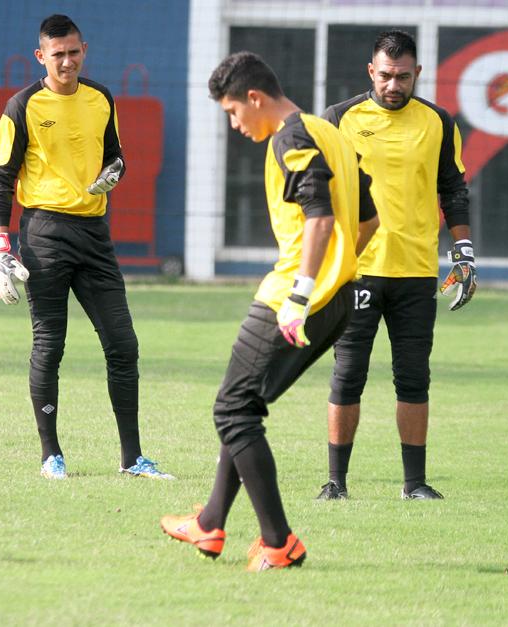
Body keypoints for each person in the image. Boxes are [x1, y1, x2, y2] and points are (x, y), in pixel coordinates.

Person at [160, 51, 379, 571]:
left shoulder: (291, 138)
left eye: (234, 112)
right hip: (339, 297)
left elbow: (320, 220)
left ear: (255, 99)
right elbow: (368, 219)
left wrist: (302, 293)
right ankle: (211, 523)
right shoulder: (332, 133)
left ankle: (278, 542)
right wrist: (336, 275)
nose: (235, 125)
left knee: (232, 410)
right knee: (245, 408)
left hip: (295, 299)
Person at [0, 14, 172, 481]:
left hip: (94, 234)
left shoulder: (101, 98)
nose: (66, 62)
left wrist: (116, 171)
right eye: (57, 54)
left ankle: (132, 459)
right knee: (50, 344)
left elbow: (116, 155)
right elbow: (1, 178)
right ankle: (51, 455)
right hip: (44, 234)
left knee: (123, 344)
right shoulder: (21, 106)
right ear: (41, 56)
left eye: (73, 52)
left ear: (84, 49)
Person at [316, 30, 476, 501]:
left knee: (413, 376)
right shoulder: (339, 119)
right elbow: (315, 192)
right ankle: (336, 483)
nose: (393, 85)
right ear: (371, 71)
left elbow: (454, 190)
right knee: (348, 374)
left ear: (417, 74)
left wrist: (464, 252)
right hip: (357, 270)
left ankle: (414, 483)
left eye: (403, 76)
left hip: (416, 271)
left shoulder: (439, 122)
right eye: (385, 75)